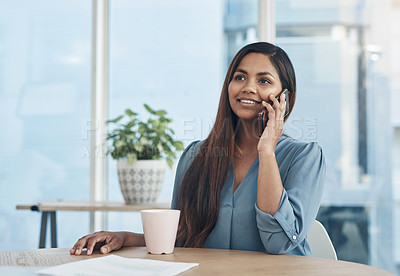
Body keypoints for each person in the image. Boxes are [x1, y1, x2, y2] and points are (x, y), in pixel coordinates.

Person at [70, 42, 325, 256]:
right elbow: (182, 238)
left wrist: (267, 150)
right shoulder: (196, 156)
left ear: (284, 97)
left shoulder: (304, 157)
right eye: (240, 77)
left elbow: (279, 243)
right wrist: (123, 237)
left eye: (264, 80)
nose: (248, 87)